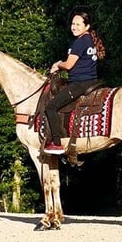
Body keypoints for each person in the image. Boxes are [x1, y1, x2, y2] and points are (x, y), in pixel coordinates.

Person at [42, 11, 106, 155]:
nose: (74, 27)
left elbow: (69, 65)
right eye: (73, 24)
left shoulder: (80, 42)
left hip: (79, 83)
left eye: (78, 24)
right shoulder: (89, 39)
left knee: (51, 106)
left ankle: (56, 143)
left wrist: (58, 64)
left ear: (87, 26)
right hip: (91, 81)